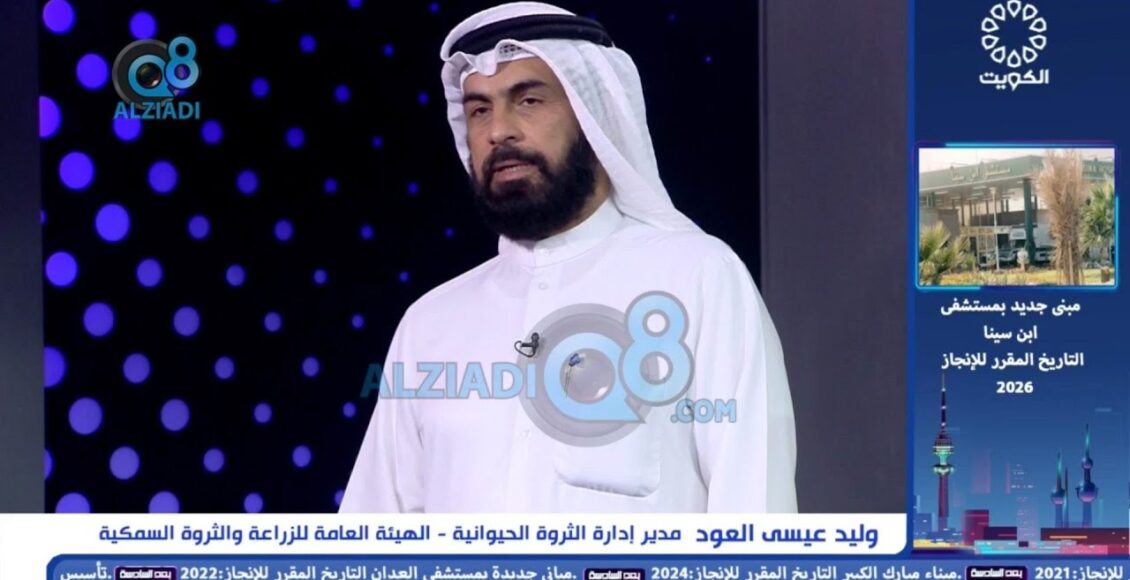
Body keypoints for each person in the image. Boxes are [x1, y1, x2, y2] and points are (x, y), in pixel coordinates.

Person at [340, 1, 797, 513]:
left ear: (594, 115)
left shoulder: (699, 279)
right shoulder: (429, 323)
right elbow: (374, 533)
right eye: (479, 110)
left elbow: (757, 514)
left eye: (528, 100)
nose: (498, 131)